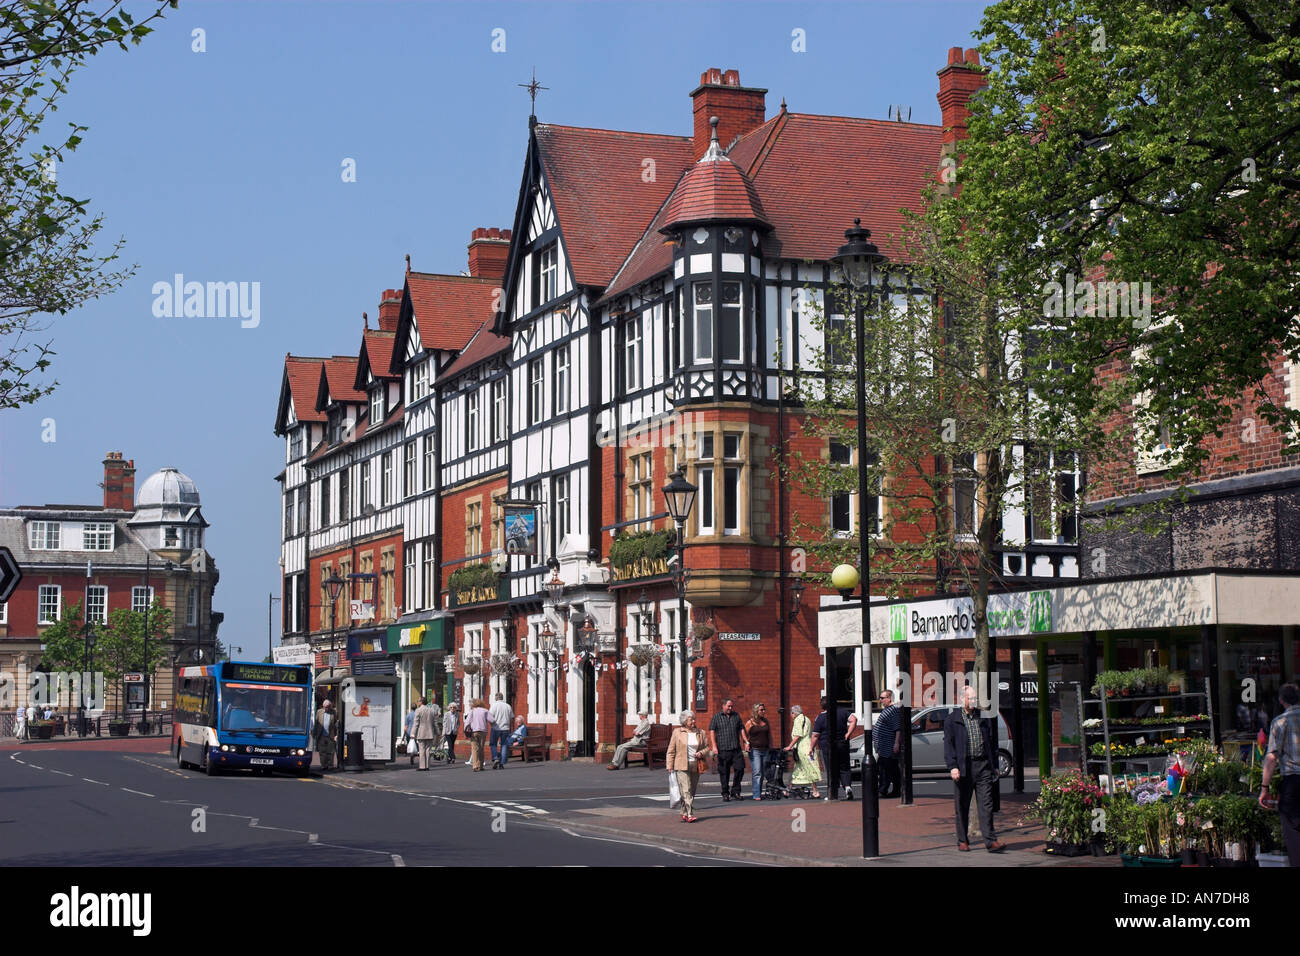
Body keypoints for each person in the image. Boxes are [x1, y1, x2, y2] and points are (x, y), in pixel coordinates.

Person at [943, 685, 1006, 852]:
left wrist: (994, 766)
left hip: (983, 766)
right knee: (962, 805)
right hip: (964, 767)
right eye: (971, 699)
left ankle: (990, 841)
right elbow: (948, 746)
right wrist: (953, 767)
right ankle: (962, 840)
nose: (973, 702)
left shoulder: (983, 717)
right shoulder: (952, 719)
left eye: (975, 699)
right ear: (962, 699)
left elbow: (991, 743)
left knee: (986, 804)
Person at [1260, 683, 1300, 865]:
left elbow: (1271, 758)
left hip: (1292, 782)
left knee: (1293, 830)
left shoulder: (1280, 722)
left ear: (1281, 700)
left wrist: (1264, 788)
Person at [665, 710, 712, 823]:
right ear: (685, 721)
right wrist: (669, 765)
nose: (694, 721)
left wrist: (701, 753)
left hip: (695, 764)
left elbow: (707, 747)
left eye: (694, 719)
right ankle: (690, 813)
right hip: (681, 765)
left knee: (692, 790)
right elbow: (671, 750)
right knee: (686, 789)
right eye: (691, 719)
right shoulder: (677, 732)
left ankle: (684, 812)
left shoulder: (701, 732)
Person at [808, 696, 853, 800]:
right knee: (844, 767)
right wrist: (848, 734)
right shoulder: (842, 712)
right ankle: (847, 787)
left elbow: (815, 735)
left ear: (822, 706)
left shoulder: (820, 718)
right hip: (842, 744)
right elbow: (853, 720)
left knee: (831, 769)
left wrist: (811, 748)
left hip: (827, 746)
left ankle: (833, 791)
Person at [708, 698, 749, 801]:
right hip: (723, 749)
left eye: (731, 706)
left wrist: (746, 741)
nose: (730, 708)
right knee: (724, 772)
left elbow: (741, 729)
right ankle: (725, 793)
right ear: (723, 706)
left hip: (736, 748)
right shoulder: (716, 717)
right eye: (728, 706)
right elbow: (712, 731)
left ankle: (735, 791)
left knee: (740, 769)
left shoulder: (736, 716)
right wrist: (714, 746)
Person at [785, 704, 821, 799]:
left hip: (802, 747)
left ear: (794, 713)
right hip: (809, 746)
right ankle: (788, 789)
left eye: (791, 713)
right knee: (799, 768)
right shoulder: (807, 719)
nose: (791, 715)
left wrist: (790, 746)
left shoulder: (798, 720)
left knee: (807, 768)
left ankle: (815, 791)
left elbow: (797, 735)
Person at [873, 690, 902, 798]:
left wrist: (896, 744)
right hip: (884, 746)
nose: (880, 700)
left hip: (888, 746)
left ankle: (884, 789)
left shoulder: (893, 711)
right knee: (887, 769)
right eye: (880, 698)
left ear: (889, 698)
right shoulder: (887, 710)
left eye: (882, 698)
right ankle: (890, 789)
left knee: (886, 769)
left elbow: (897, 728)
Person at [745, 703, 772, 800]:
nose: (763, 711)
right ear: (756, 711)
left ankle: (759, 792)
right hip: (755, 750)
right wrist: (746, 743)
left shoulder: (766, 722)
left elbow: (769, 735)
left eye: (764, 709)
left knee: (763, 772)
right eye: (761, 710)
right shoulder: (750, 723)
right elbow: (744, 735)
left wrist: (770, 747)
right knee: (757, 772)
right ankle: (756, 794)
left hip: (765, 750)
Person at [412, 697, 441, 771]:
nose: (418, 702)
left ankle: (422, 766)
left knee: (421, 750)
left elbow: (416, 723)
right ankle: (427, 766)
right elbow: (435, 723)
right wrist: (438, 732)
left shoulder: (418, 710)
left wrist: (413, 733)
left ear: (421, 702)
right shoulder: (431, 711)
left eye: (418, 701)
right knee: (428, 750)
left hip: (421, 732)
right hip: (430, 732)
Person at [488, 692, 515, 769]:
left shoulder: (493, 706)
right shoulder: (508, 706)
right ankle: (502, 763)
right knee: (504, 745)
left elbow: (490, 717)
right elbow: (512, 717)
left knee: (493, 744)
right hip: (505, 728)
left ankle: (495, 758)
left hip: (496, 728)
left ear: (496, 698)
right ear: (502, 698)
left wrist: (491, 724)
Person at [465, 698, 491, 771]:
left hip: (474, 732)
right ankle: (481, 766)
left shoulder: (472, 711)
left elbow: (467, 722)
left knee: (474, 749)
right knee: (481, 749)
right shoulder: (485, 711)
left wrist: (465, 731)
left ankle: (475, 766)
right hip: (483, 731)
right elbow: (492, 720)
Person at [313, 698, 337, 771]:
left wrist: (336, 735)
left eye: (327, 707)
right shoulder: (319, 712)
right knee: (322, 751)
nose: (325, 708)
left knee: (330, 751)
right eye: (324, 707)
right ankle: (324, 765)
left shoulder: (334, 712)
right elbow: (316, 723)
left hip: (330, 735)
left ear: (330, 706)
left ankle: (330, 765)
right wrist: (314, 734)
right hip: (321, 735)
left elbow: (336, 723)